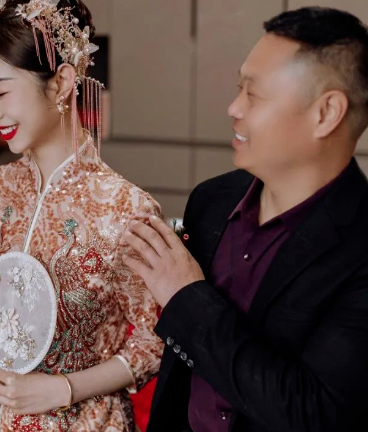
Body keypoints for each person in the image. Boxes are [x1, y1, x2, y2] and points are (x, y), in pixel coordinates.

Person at [122, 7, 368, 432]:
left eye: (254, 95)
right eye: (239, 88)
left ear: (326, 113)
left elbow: (313, 410)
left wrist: (185, 296)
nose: (234, 108)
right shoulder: (211, 201)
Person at [0, 1, 165, 431]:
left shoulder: (125, 208)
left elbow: (154, 342)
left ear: (61, 82)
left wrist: (64, 389)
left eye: (0, 93)